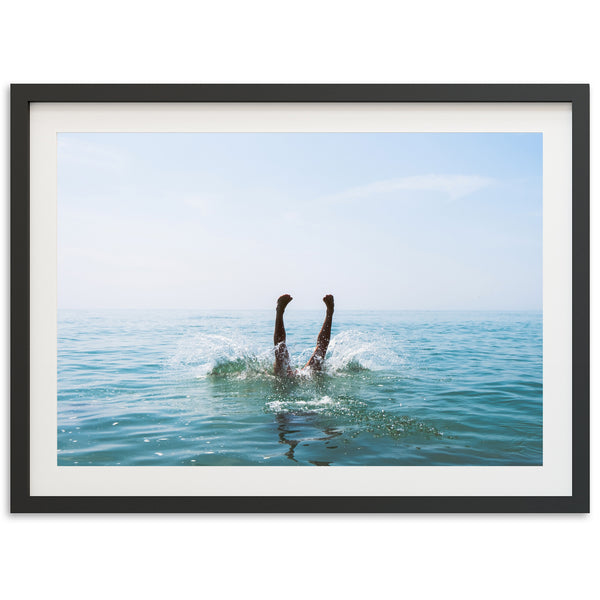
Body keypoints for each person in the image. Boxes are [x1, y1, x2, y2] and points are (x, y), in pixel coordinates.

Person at [274, 294, 334, 376]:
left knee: (320, 352)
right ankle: (279, 311)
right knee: (280, 350)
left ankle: (329, 312)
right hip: (293, 378)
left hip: (300, 378)